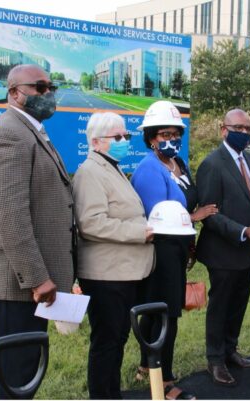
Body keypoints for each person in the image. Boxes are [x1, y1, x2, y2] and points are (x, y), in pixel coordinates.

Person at [0, 64, 75, 399]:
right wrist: (36, 278)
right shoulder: (10, 134)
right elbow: (10, 216)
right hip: (16, 283)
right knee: (16, 376)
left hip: (27, 281)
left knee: (26, 368)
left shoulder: (31, 131)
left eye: (50, 87)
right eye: (38, 87)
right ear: (14, 92)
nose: (48, 94)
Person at [131, 101, 217, 400]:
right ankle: (164, 380)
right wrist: (195, 218)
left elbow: (184, 202)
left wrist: (190, 240)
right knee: (166, 314)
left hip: (179, 248)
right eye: (164, 133)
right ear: (152, 138)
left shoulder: (179, 165)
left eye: (176, 133)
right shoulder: (148, 169)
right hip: (162, 250)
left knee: (158, 311)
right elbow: (157, 218)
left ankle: (147, 365)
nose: (171, 139)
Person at [73, 111, 155, 399]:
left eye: (126, 136)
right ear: (96, 142)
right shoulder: (90, 172)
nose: (124, 141)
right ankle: (102, 395)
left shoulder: (112, 166)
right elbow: (91, 223)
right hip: (105, 275)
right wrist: (140, 231)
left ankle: (111, 393)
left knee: (117, 338)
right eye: (117, 137)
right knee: (107, 341)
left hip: (124, 271)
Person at [196, 108, 250, 387]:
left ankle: (230, 350)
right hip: (223, 251)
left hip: (248, 251)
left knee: (238, 304)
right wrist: (241, 232)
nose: (244, 133)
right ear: (224, 130)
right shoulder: (212, 164)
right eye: (238, 128)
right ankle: (215, 360)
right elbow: (210, 214)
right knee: (221, 306)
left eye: (248, 128)